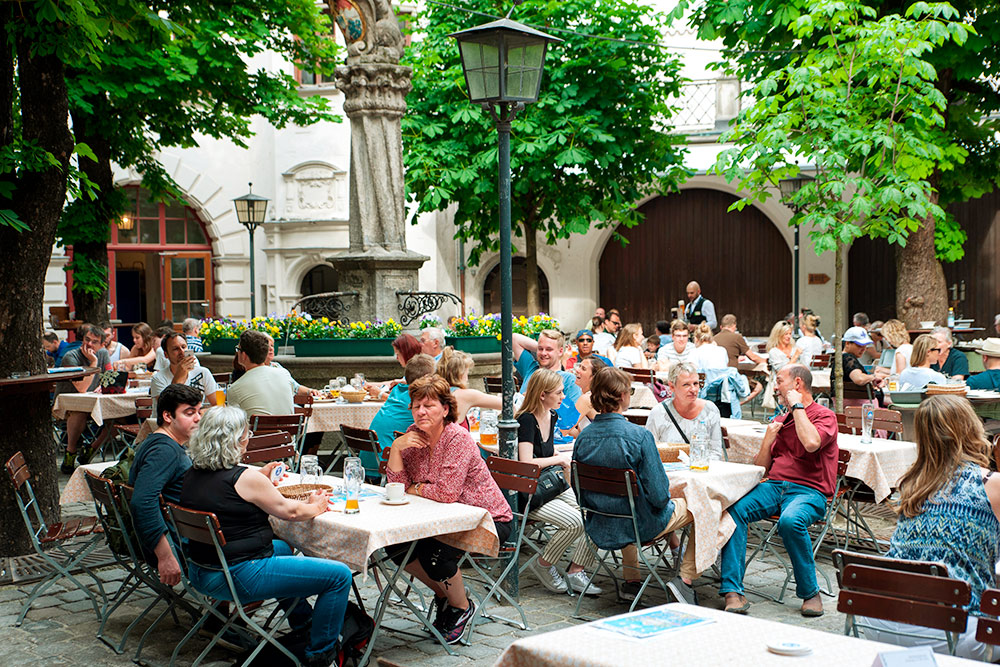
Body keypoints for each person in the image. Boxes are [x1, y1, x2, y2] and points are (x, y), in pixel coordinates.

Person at [180, 406, 352, 667]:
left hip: (201, 571)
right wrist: (317, 505)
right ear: (238, 440)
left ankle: (303, 622)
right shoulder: (245, 478)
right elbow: (290, 511)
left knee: (282, 547)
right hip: (239, 576)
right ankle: (322, 655)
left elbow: (228, 489)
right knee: (339, 576)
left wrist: (260, 477)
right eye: (246, 434)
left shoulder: (192, 474)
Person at [857, 395, 1000, 661]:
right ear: (971, 428)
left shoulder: (911, 485)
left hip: (881, 621)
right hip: (953, 633)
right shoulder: (992, 485)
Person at [386, 375, 513, 644]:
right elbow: (397, 488)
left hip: (486, 519)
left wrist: (415, 488)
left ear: (445, 409)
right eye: (416, 406)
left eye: (429, 406)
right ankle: (447, 594)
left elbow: (446, 493)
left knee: (434, 554)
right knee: (396, 548)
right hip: (440, 519)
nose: (421, 412)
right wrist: (396, 450)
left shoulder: (458, 438)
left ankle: (461, 607)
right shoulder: (412, 436)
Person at [573, 367, 702, 605]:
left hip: (599, 522)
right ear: (623, 396)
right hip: (638, 525)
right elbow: (659, 496)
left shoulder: (583, 437)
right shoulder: (638, 436)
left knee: (627, 504)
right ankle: (686, 577)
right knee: (700, 506)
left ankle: (632, 581)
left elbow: (579, 491)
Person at [719, 364, 838, 617]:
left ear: (797, 384)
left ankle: (810, 592)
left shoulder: (824, 415)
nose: (775, 386)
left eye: (779, 381)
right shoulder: (778, 421)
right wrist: (767, 441)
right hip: (774, 486)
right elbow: (762, 468)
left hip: (809, 492)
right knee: (733, 510)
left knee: (790, 520)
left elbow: (811, 443)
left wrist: (796, 407)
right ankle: (733, 592)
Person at [516, 369, 601, 596]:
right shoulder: (526, 420)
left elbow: (547, 448)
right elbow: (526, 462)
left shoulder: (551, 414)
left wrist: (562, 456)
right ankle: (544, 564)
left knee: (594, 513)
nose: (564, 397)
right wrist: (559, 459)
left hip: (549, 483)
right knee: (575, 522)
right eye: (559, 393)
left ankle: (575, 570)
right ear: (542, 395)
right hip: (532, 490)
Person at [128, 384, 203, 586]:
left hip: (186, 535)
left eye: (199, 412)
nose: (198, 418)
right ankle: (234, 609)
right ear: (168, 416)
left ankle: (224, 609)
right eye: (189, 413)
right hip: (183, 545)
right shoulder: (165, 451)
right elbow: (142, 502)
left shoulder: (158, 442)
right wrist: (165, 556)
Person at [56, 323, 112, 473]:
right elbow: (82, 389)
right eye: (87, 339)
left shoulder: (103, 354)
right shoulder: (71, 357)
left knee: (120, 417)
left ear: (102, 344)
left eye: (94, 342)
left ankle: (91, 449)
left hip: (94, 402)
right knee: (79, 412)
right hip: (68, 405)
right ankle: (70, 452)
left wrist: (104, 386)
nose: (89, 344)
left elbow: (110, 377)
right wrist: (93, 363)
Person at [368, 354, 437, 473]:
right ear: (427, 377)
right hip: (388, 464)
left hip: (369, 461)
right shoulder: (420, 398)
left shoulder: (397, 389)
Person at [512, 330, 582, 441]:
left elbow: (573, 419)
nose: (543, 353)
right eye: (540, 349)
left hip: (547, 441)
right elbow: (514, 338)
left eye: (549, 349)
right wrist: (544, 348)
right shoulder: (531, 368)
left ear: (560, 351)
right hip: (519, 435)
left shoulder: (568, 379)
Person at [645, 362, 723, 459]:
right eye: (686, 385)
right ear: (672, 387)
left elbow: (715, 452)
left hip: (700, 469)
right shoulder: (659, 412)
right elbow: (649, 451)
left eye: (696, 383)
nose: (693, 389)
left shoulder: (710, 410)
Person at [226, 330, 295, 416]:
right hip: (289, 429)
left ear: (244, 355)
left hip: (255, 429)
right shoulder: (284, 374)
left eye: (238, 349)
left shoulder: (235, 389)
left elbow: (233, 422)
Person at [149, 332, 219, 407]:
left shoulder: (203, 372)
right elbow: (168, 408)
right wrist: (179, 375)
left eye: (183, 347)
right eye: (176, 349)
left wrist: (201, 412)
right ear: (166, 355)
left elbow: (218, 405)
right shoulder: (158, 379)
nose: (182, 352)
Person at [436, 348, 502, 428]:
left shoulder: (435, 391)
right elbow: (506, 405)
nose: (467, 378)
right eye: (467, 373)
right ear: (460, 374)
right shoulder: (465, 395)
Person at [838, 326, 885, 403]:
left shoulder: (842, 358)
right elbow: (859, 379)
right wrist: (873, 377)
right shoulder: (848, 358)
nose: (863, 349)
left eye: (865, 345)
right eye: (859, 345)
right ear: (847, 343)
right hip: (862, 408)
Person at [565, 357, 607, 437]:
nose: (577, 370)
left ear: (593, 377)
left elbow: (563, 430)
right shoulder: (592, 396)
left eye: (583, 369)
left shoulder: (586, 399)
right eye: (579, 366)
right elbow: (579, 434)